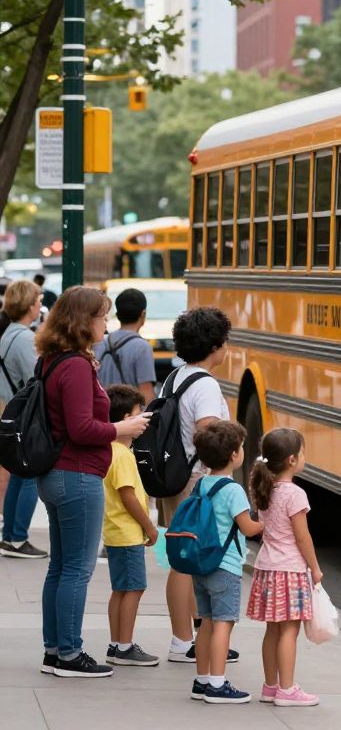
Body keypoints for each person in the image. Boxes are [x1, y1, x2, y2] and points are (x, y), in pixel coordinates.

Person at [35, 287, 149, 678]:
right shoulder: (77, 367)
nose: (107, 323)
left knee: (60, 567)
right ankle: (69, 653)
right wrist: (123, 427)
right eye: (102, 316)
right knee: (76, 570)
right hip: (77, 475)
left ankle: (54, 649)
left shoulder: (53, 360)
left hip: (56, 474)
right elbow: (82, 428)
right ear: (84, 321)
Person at [159, 307, 232, 664]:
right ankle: (190, 640)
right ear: (216, 345)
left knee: (181, 560)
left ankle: (185, 638)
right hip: (198, 482)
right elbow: (207, 431)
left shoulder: (175, 377)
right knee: (195, 564)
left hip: (176, 478)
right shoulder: (204, 383)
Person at [246, 428, 323, 707]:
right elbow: (302, 536)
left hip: (266, 568)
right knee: (290, 631)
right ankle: (288, 690)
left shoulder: (264, 489)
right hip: (289, 571)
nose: (304, 458)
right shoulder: (296, 494)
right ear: (292, 459)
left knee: (273, 631)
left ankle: (271, 686)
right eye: (302, 453)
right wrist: (314, 567)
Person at [188, 420, 262, 704]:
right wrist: (264, 523)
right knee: (223, 624)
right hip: (225, 565)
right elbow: (246, 527)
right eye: (241, 447)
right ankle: (217, 685)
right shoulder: (232, 490)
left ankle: (202, 680)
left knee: (206, 622)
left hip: (201, 564)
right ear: (234, 455)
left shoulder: (202, 484)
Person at [102, 384, 160, 667]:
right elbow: (128, 495)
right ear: (126, 419)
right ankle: (124, 647)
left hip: (114, 532)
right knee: (134, 588)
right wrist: (149, 526)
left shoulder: (110, 451)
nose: (143, 422)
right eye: (139, 414)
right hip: (127, 533)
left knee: (120, 589)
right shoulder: (123, 455)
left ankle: (116, 643)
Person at [0, 280, 47, 559]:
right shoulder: (24, 339)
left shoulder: (7, 335)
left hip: (13, 413)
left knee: (19, 474)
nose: (40, 304)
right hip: (28, 416)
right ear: (29, 305)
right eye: (38, 300)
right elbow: (38, 379)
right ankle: (17, 537)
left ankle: (11, 535)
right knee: (29, 474)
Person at [94, 288, 157, 404]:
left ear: (117, 315)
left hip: (102, 411)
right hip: (128, 416)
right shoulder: (142, 347)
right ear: (143, 315)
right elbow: (146, 391)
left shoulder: (101, 342)